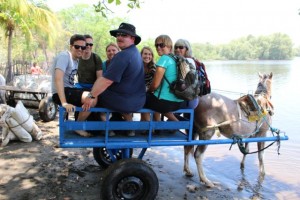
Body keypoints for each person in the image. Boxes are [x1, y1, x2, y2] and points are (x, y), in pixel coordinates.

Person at [82, 22, 146, 137]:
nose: (119, 37)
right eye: (118, 35)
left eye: (124, 35)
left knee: (94, 95)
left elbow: (106, 81)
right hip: (137, 101)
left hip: (126, 102)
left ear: (132, 38)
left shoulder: (123, 55)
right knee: (101, 91)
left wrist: (91, 95)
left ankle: (81, 126)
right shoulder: (135, 53)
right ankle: (129, 126)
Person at [51, 34, 97, 137]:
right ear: (71, 46)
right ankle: (77, 126)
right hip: (60, 92)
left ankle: (92, 125)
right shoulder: (64, 56)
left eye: (83, 47)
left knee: (94, 95)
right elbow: (58, 79)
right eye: (77, 46)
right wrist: (64, 103)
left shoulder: (76, 60)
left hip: (70, 90)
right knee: (91, 98)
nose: (80, 49)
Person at [144, 35, 183, 126]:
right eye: (156, 45)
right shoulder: (175, 58)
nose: (158, 47)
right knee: (154, 99)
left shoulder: (164, 59)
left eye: (161, 45)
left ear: (169, 46)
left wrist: (148, 91)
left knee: (143, 99)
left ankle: (150, 130)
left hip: (165, 103)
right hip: (179, 102)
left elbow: (154, 85)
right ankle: (158, 125)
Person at [174, 39, 199, 109]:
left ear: (187, 49)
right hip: (191, 98)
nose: (177, 49)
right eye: (176, 47)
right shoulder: (190, 60)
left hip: (187, 99)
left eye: (181, 47)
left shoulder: (186, 61)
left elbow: (182, 80)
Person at [140, 46, 156, 122]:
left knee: (144, 99)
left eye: (150, 54)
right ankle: (144, 125)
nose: (147, 56)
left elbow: (155, 84)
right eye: (145, 54)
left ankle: (149, 126)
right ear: (141, 55)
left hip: (151, 92)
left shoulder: (154, 68)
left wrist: (147, 89)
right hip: (140, 92)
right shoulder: (137, 66)